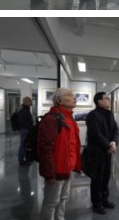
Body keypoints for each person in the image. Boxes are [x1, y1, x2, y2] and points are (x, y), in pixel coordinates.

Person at [37, 88, 82, 220]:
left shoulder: (69, 118)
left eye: (74, 95)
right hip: (56, 170)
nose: (74, 97)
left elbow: (73, 145)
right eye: (70, 95)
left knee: (63, 198)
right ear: (60, 100)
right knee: (51, 202)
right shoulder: (51, 119)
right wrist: (49, 173)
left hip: (67, 168)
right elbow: (45, 149)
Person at [86, 92, 119, 214]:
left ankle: (105, 200)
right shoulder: (93, 115)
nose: (109, 100)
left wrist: (114, 142)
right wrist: (108, 145)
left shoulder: (110, 114)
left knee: (106, 177)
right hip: (97, 152)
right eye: (107, 98)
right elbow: (95, 134)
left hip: (108, 152)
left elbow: (115, 129)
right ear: (99, 101)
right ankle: (97, 204)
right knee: (97, 179)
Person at [17, 96, 35, 165]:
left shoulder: (25, 109)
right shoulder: (23, 109)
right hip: (25, 130)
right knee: (23, 145)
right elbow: (23, 122)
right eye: (30, 101)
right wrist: (30, 128)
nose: (31, 102)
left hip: (25, 129)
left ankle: (25, 158)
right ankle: (21, 160)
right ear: (26, 101)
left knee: (24, 144)